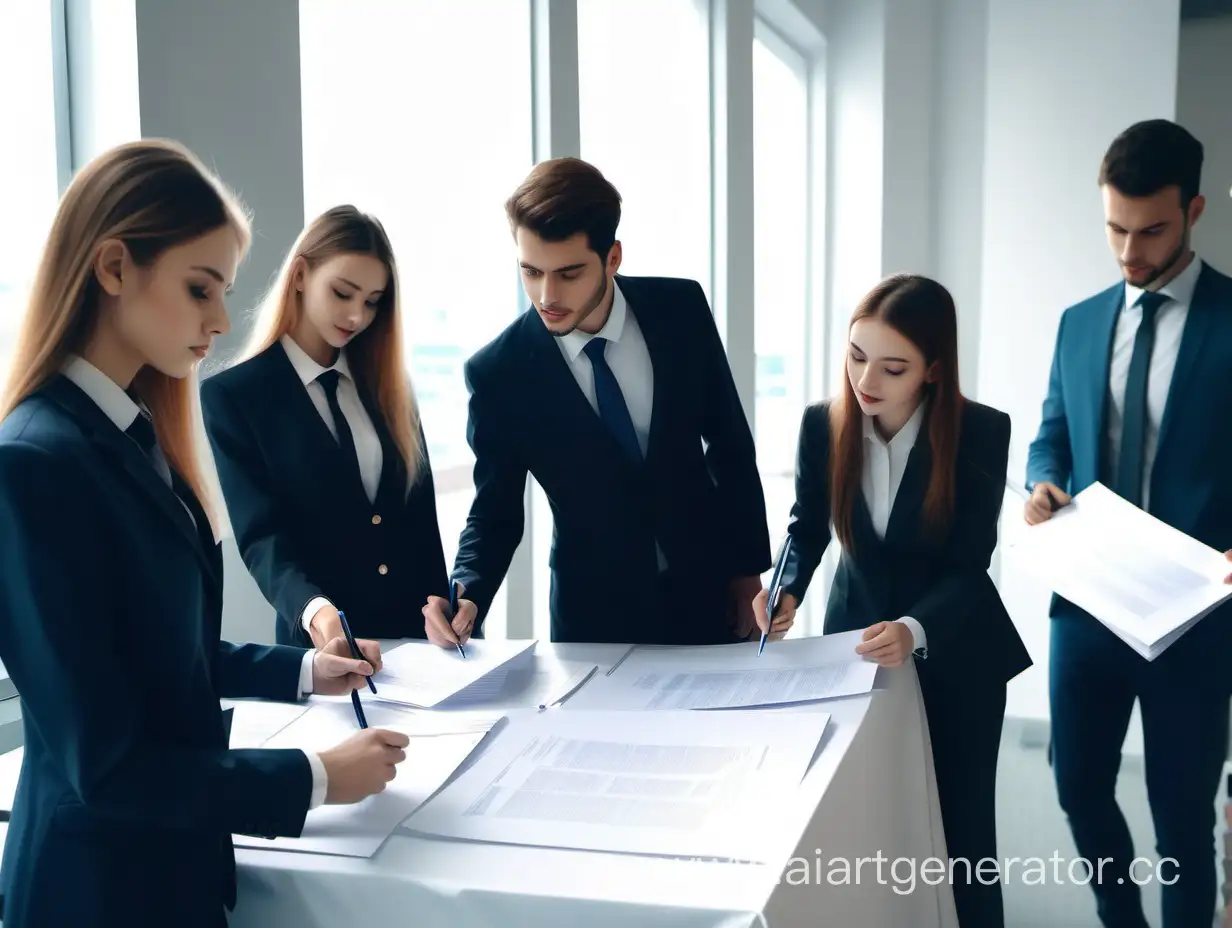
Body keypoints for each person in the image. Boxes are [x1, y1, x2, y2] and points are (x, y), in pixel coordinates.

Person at [0, 140, 409, 928]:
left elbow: (163, 654)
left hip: (171, 875)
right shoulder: (33, 465)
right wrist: (314, 778)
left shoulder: (130, 434)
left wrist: (302, 673)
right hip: (96, 895)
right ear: (114, 268)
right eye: (199, 290)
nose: (222, 321)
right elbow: (107, 768)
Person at [756, 274, 1031, 928]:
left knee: (963, 837)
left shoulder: (980, 432)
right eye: (855, 356)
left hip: (956, 650)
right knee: (866, 825)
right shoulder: (823, 425)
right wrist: (785, 588)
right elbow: (807, 527)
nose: (866, 379)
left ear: (933, 370)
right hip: (857, 651)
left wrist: (914, 628)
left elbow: (971, 564)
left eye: (892, 365)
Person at [424, 157, 771, 646]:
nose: (547, 295)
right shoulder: (499, 374)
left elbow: (729, 443)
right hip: (594, 620)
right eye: (530, 271)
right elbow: (494, 510)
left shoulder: (681, 310)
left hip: (710, 594)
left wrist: (747, 569)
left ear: (612, 257)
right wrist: (467, 592)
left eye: (568, 273)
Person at [1025, 119, 1232, 928]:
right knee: (1077, 785)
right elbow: (1054, 433)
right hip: (1088, 603)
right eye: (1114, 226)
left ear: (1195, 210)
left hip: (1197, 612)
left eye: (1150, 229)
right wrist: (1044, 482)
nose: (1128, 249)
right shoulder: (1080, 322)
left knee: (1181, 812)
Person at [202, 206, 447, 647]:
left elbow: (421, 524)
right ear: (299, 275)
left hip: (420, 648)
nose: (356, 315)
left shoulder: (390, 388)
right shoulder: (235, 397)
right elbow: (261, 539)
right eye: (342, 292)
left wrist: (447, 616)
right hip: (325, 651)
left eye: (372, 302)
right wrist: (316, 612)